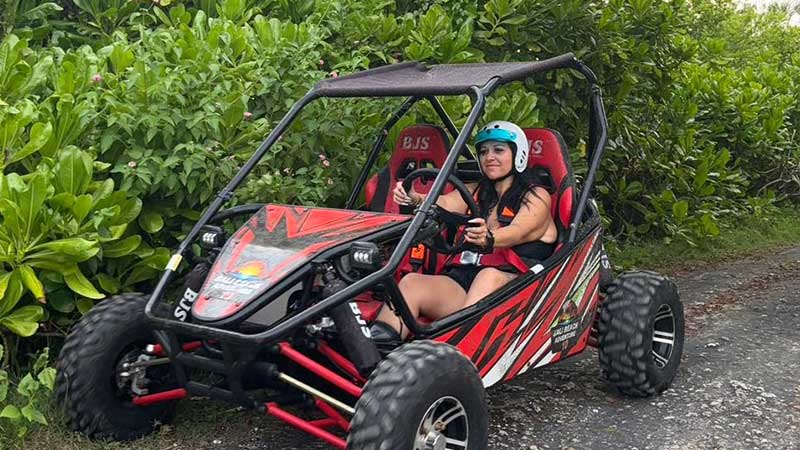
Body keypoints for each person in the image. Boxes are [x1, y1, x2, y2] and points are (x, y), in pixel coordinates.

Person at [370, 120, 558, 341]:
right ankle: (376, 351)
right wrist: (414, 198)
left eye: (499, 150)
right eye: (484, 152)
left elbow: (519, 231)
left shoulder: (536, 196)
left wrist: (489, 237)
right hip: (465, 284)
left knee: (488, 277)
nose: (489, 157)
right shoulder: (476, 191)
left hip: (518, 289)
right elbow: (444, 202)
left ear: (518, 155)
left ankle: (453, 349)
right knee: (412, 283)